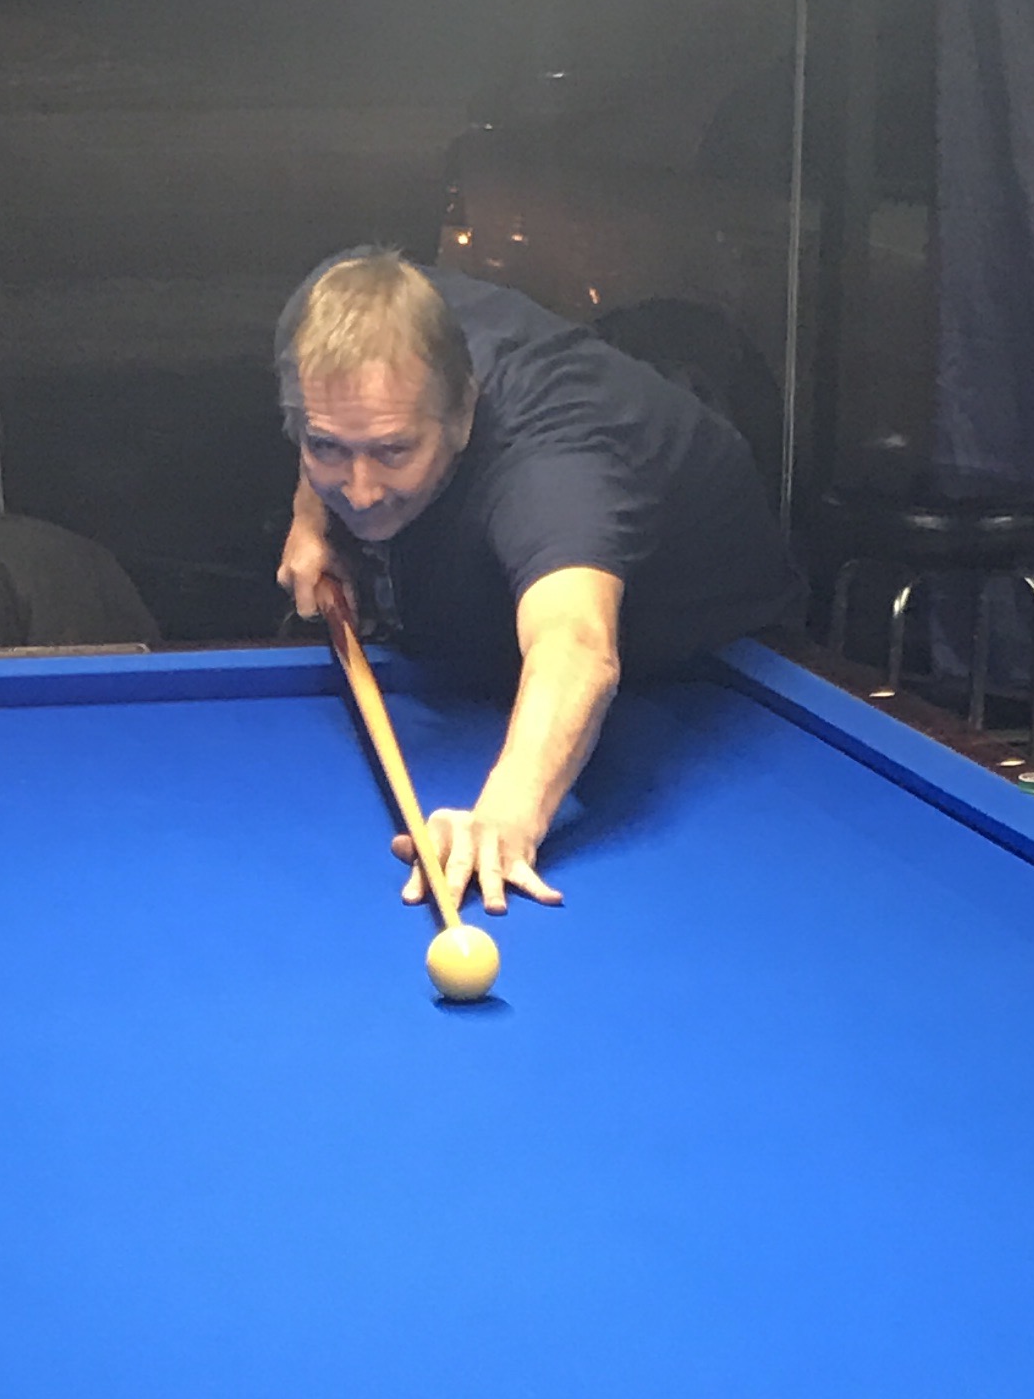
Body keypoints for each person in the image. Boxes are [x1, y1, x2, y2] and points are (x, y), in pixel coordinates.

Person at [275, 250, 799, 917]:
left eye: (393, 451)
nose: (361, 489)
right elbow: (335, 421)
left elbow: (575, 641)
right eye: (329, 450)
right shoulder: (329, 312)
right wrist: (311, 520)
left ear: (463, 411)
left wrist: (505, 817)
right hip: (509, 608)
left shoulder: (554, 470)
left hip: (704, 656)